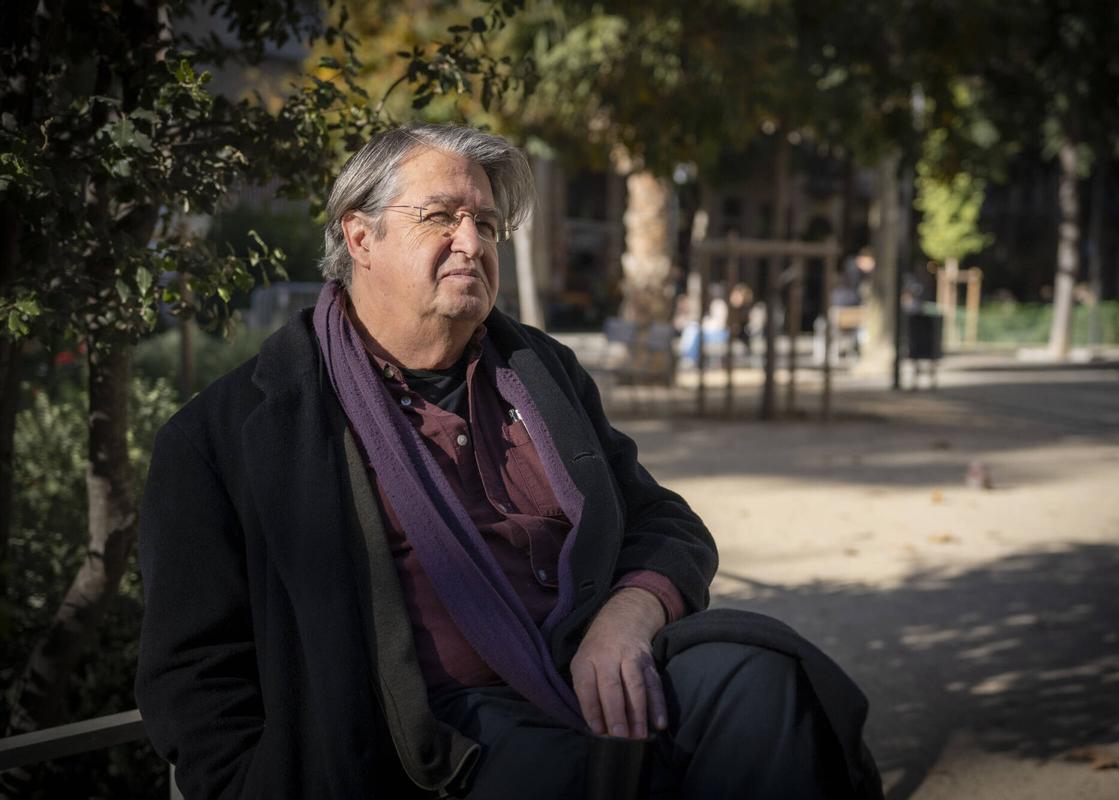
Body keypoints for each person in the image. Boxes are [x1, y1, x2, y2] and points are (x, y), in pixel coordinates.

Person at [135, 124, 881, 799]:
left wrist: (625, 619)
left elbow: (663, 522)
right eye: (441, 216)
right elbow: (195, 678)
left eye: (487, 223)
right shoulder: (232, 434)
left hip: (596, 668)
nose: (472, 241)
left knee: (768, 682)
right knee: (589, 779)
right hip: (424, 739)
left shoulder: (539, 370)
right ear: (359, 236)